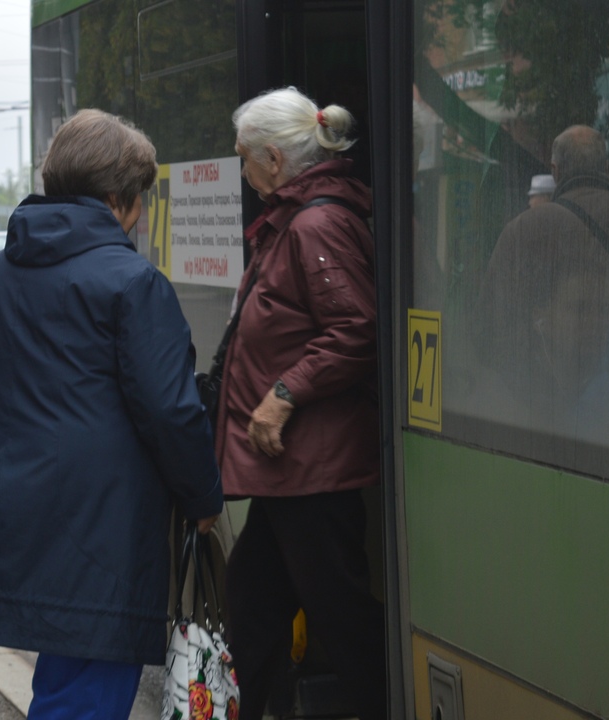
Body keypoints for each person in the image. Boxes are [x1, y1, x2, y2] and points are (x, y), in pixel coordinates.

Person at [0, 108, 223, 720]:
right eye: (140, 201)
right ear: (119, 200)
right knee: (88, 689)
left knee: (65, 675)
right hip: (103, 526)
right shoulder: (133, 282)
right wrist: (203, 500)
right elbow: (170, 410)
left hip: (13, 510)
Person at [217, 87, 386, 720]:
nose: (241, 171)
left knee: (338, 618)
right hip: (294, 470)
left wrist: (283, 395)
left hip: (317, 468)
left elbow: (356, 329)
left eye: (243, 158)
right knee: (254, 604)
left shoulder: (317, 223)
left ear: (273, 159)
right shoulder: (297, 219)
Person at [478, 125, 609, 450]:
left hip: (538, 419)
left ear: (556, 172)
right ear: (606, 168)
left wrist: (533, 393)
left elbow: (487, 332)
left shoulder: (521, 230)